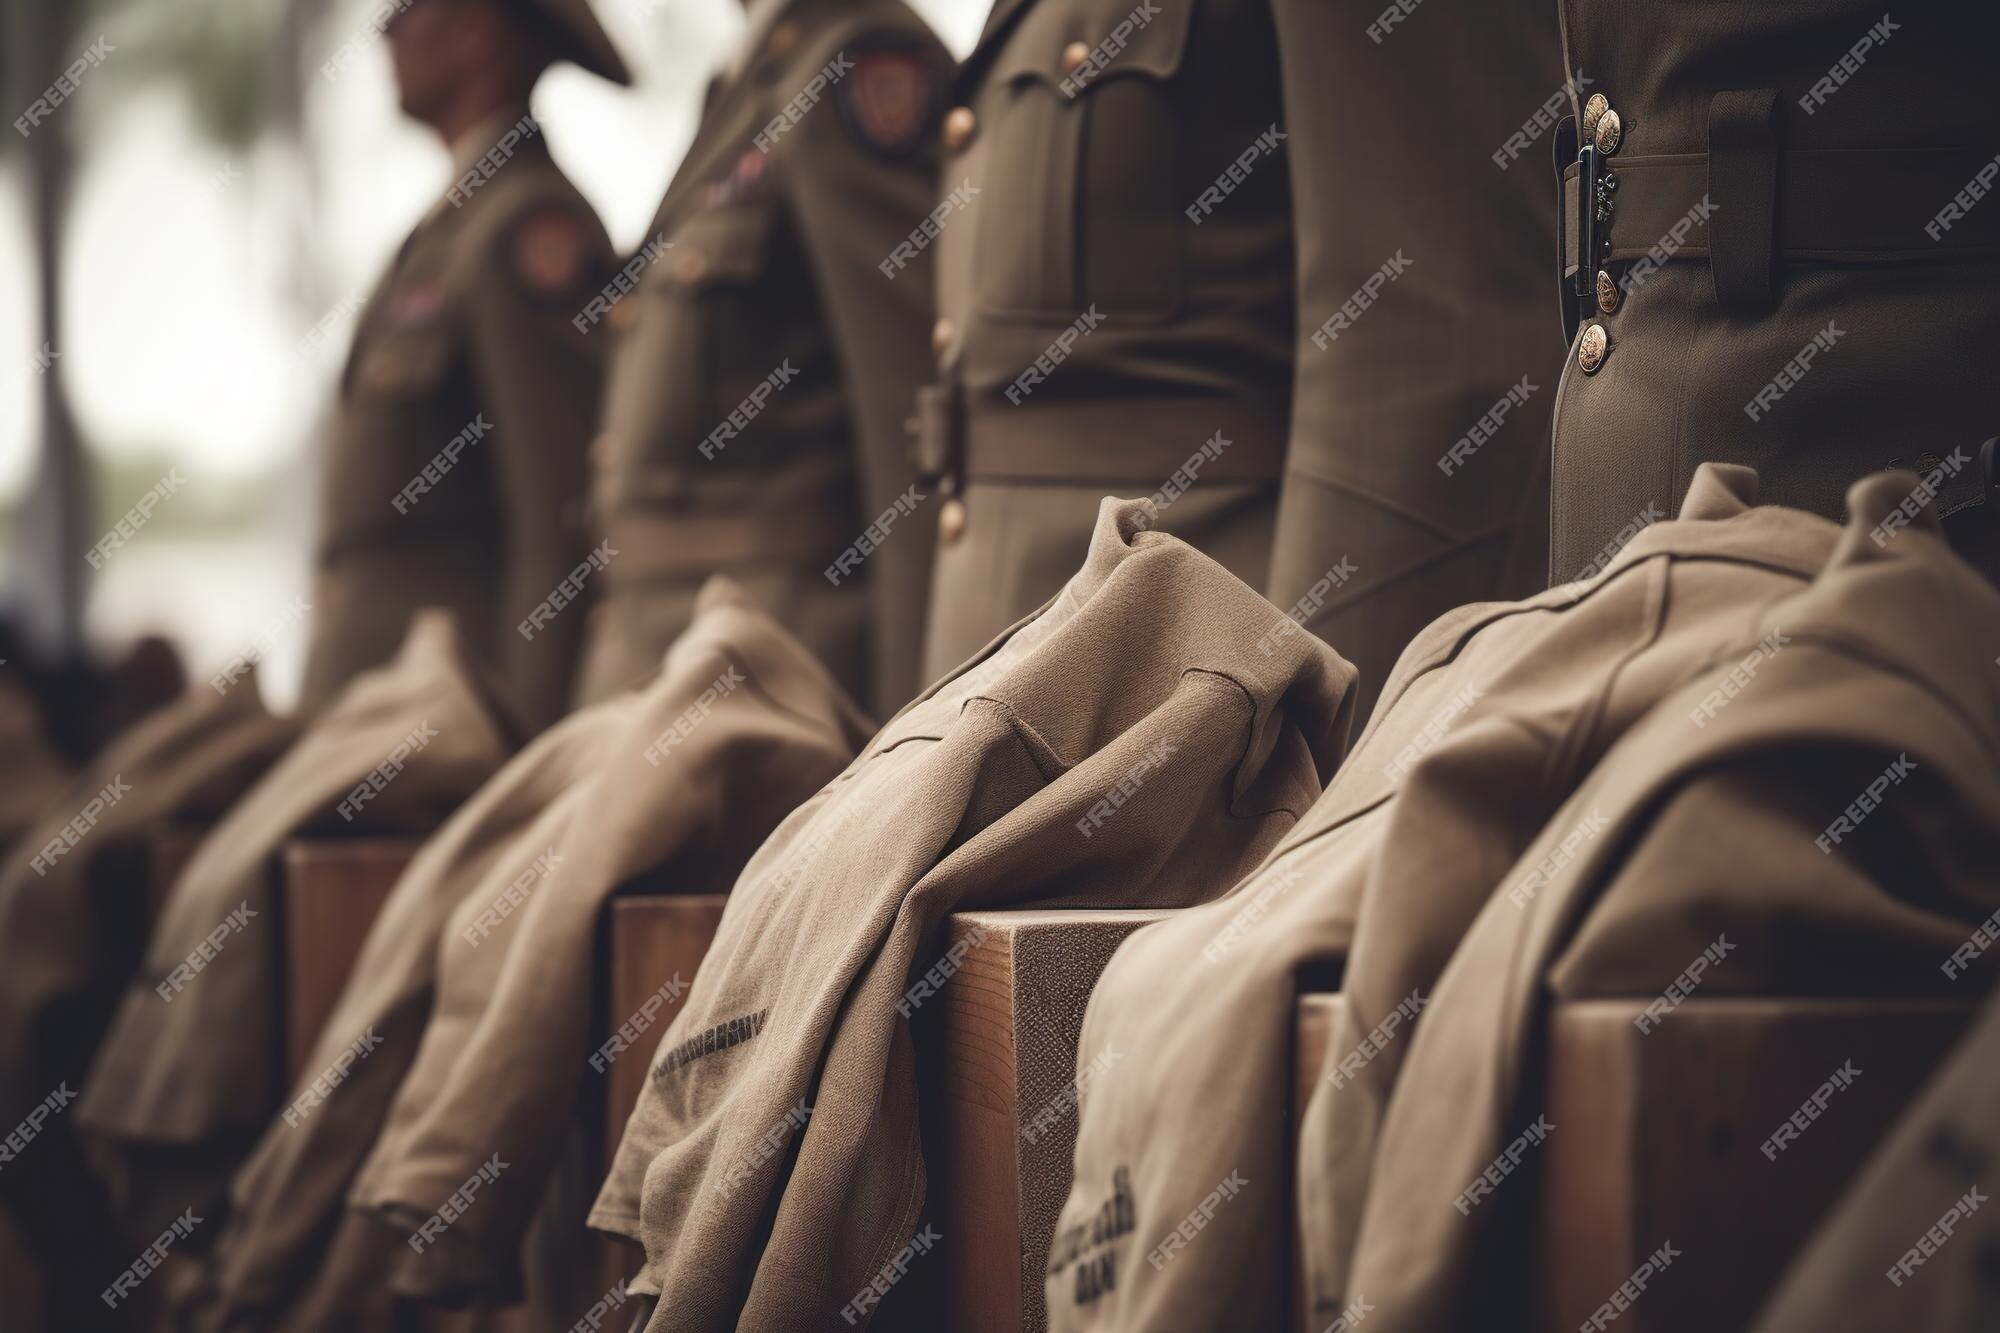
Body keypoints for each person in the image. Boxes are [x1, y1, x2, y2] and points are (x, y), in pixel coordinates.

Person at [571, 0, 951, 718]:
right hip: (672, 676)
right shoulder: (747, 82)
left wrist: (919, 732)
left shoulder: (852, 57)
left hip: (779, 686)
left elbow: (914, 428)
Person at [298, 0, 628, 732]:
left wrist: (520, 743)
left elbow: (560, 517)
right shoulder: (457, 224)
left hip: (446, 730)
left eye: (405, 10)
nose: (384, 31)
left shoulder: (526, 225)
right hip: (382, 714)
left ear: (478, 29)